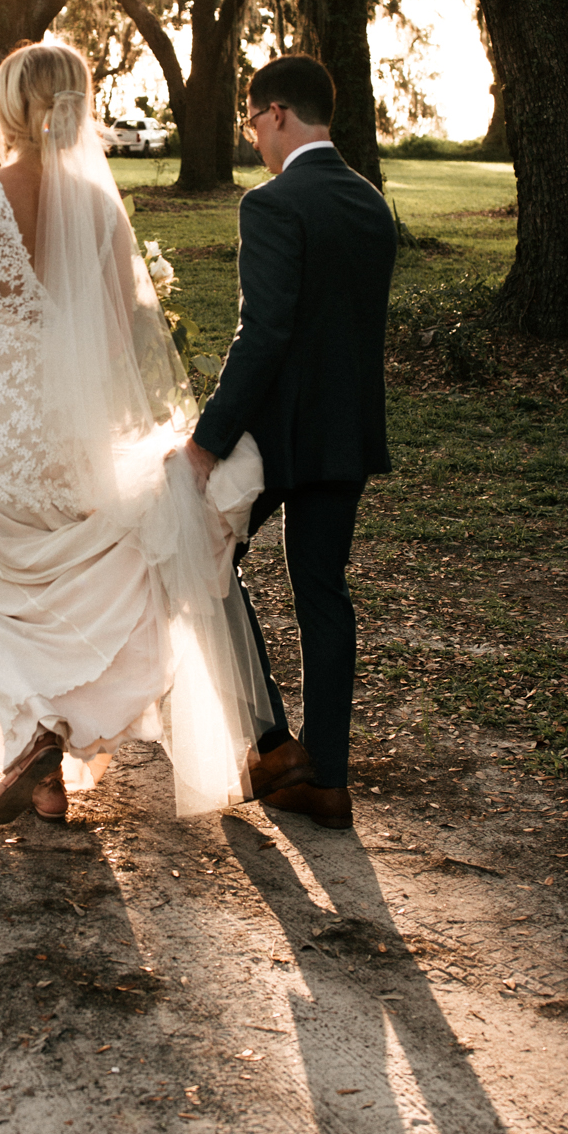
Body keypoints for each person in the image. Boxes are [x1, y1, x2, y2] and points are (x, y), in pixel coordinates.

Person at [0, 41, 270, 825]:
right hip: (74, 442)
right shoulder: (102, 205)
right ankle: (46, 776)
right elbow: (121, 338)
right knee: (63, 597)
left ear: (11, 104)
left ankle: (37, 735)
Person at [186, 55, 396, 829]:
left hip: (277, 435)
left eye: (252, 122)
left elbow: (263, 334)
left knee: (206, 558)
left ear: (276, 113)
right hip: (346, 432)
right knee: (323, 594)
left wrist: (210, 438)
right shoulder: (371, 203)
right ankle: (329, 779)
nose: (253, 140)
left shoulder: (272, 204)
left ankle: (274, 743)